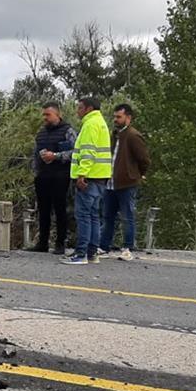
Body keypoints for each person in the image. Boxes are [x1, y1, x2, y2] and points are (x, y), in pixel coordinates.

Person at [61, 96, 112, 265]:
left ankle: (81, 254)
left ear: (88, 108)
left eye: (79, 108)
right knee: (93, 216)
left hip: (89, 177)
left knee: (83, 216)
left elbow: (88, 152)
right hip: (100, 177)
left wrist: (82, 174)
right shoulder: (101, 123)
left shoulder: (90, 124)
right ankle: (92, 253)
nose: (77, 111)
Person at [100, 103, 151, 261]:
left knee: (127, 216)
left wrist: (139, 174)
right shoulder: (114, 134)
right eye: (114, 117)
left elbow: (144, 159)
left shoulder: (133, 135)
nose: (115, 119)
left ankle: (128, 247)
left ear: (128, 118)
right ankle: (104, 246)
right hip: (111, 182)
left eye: (119, 117)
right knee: (108, 216)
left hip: (126, 183)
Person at [29, 102, 76, 254]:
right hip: (43, 176)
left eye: (48, 115)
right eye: (44, 115)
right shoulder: (41, 133)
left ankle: (60, 243)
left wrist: (55, 156)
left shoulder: (68, 131)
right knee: (43, 210)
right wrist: (35, 171)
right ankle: (42, 242)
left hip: (60, 176)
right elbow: (35, 154)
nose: (45, 118)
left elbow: (76, 152)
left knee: (60, 210)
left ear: (57, 114)